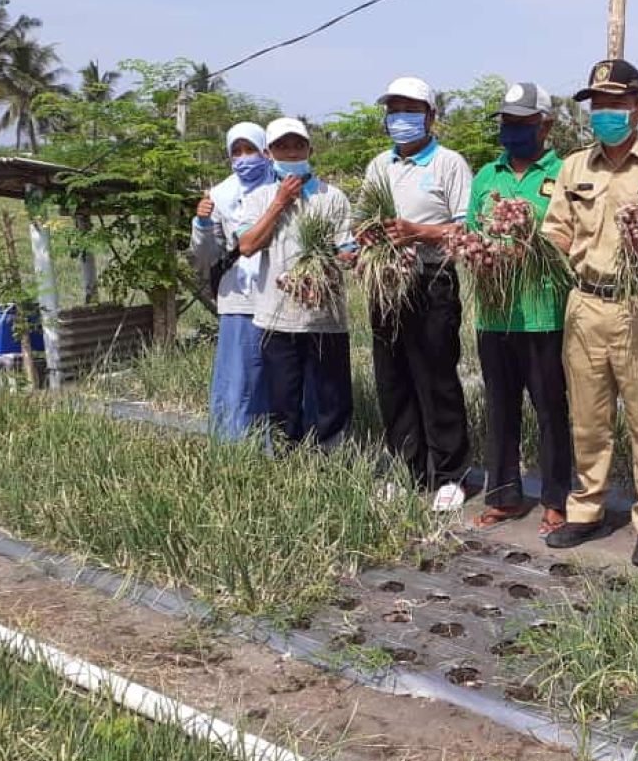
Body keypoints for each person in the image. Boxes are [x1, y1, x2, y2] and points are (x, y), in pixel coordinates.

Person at [540, 59, 638, 567]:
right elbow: (557, 230)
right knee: (588, 417)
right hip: (584, 302)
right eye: (597, 105)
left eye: (614, 105)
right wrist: (524, 248)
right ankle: (587, 508)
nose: (604, 113)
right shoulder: (575, 166)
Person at [363, 77, 473, 512]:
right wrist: (368, 235)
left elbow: (465, 229)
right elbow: (366, 216)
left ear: (430, 116)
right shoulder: (378, 166)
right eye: (394, 110)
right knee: (394, 379)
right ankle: (407, 468)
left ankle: (449, 474)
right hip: (387, 282)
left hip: (432, 281)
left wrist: (418, 233)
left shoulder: (449, 164)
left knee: (437, 378)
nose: (400, 119)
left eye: (410, 110)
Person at [467, 83, 572, 537]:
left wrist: (531, 243)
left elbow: (571, 235)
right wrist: (485, 250)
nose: (512, 131)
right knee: (500, 408)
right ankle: (504, 497)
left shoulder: (564, 172)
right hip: (494, 314)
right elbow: (473, 231)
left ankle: (556, 500)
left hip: (544, 312)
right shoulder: (486, 175)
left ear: (545, 125)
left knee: (550, 408)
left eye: (522, 123)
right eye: (507, 122)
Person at [237, 117, 355, 450]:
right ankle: (288, 462)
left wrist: (331, 267)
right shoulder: (259, 198)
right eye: (282, 147)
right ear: (268, 153)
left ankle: (331, 459)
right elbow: (247, 245)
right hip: (276, 316)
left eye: (297, 145)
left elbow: (346, 250)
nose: (291, 153)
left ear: (309, 149)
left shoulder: (331, 197)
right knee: (283, 398)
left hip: (324, 317)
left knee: (332, 397)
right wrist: (280, 202)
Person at [189, 122, 274, 441]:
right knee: (239, 378)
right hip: (239, 299)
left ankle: (280, 444)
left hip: (279, 297)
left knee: (277, 375)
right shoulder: (219, 196)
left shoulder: (282, 186)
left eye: (250, 149)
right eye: (235, 151)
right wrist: (202, 222)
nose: (243, 158)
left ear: (265, 152)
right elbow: (205, 256)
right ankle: (233, 445)